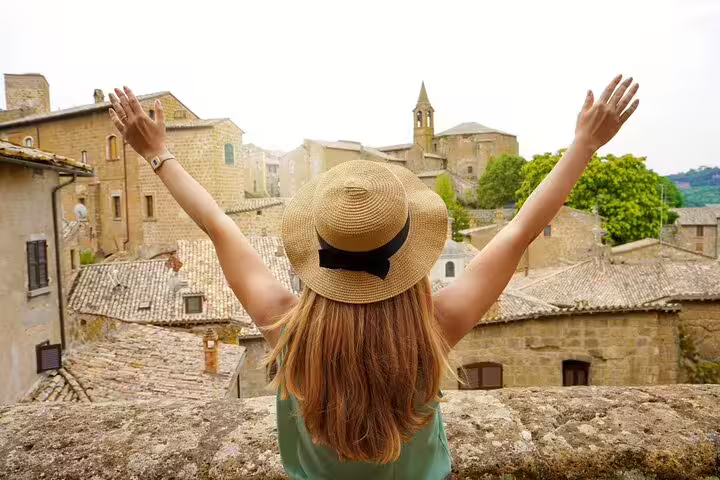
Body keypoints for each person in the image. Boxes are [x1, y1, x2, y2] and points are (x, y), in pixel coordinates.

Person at [108, 75, 639, 479]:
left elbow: (219, 226)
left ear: (318, 247)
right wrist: (584, 146)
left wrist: (157, 152)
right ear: (409, 247)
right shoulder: (434, 328)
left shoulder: (284, 329)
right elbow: (521, 231)